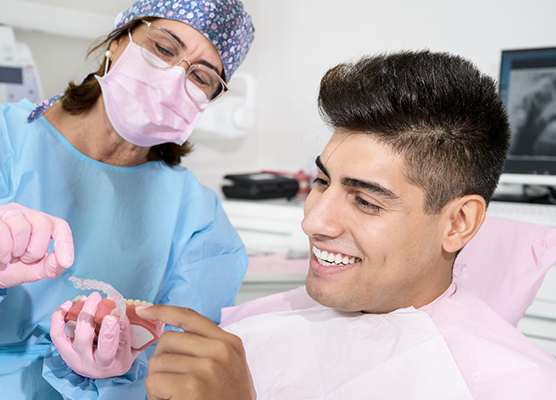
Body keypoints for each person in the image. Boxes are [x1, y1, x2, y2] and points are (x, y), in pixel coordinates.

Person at [133, 50, 556, 399]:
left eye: (366, 201)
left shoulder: (515, 386)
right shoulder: (268, 322)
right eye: (322, 181)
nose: (314, 222)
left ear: (458, 222)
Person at [0, 0, 254, 399]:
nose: (173, 79)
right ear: (118, 40)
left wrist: (121, 371)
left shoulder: (199, 221)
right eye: (164, 49)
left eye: (201, 76)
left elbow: (182, 370)